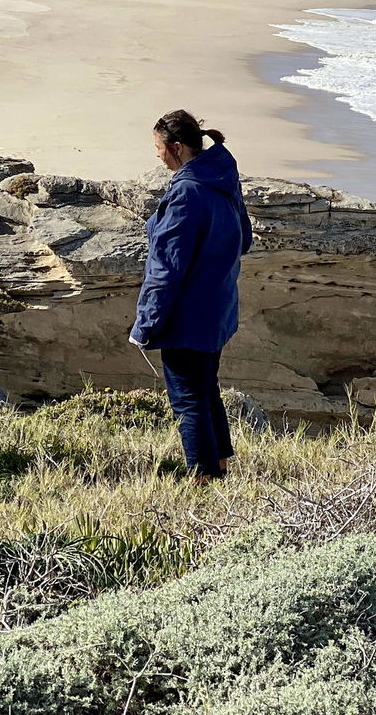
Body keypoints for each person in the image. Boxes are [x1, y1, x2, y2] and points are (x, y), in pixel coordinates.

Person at [131, 110, 254, 483]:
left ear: (177, 147)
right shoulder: (221, 175)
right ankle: (219, 467)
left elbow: (165, 270)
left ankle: (202, 481)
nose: (156, 155)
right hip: (218, 306)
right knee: (204, 387)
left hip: (188, 315)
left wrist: (145, 325)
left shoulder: (187, 192)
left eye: (158, 147)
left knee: (187, 397)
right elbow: (244, 239)